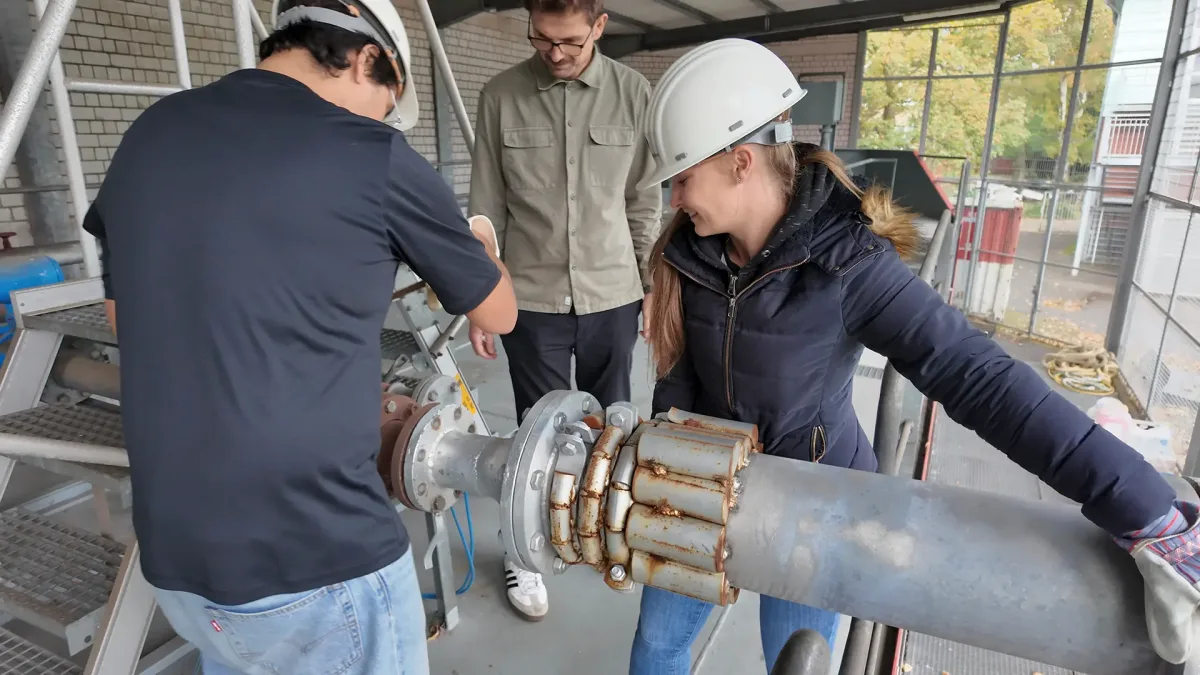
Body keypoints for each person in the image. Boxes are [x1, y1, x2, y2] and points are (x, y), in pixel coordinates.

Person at [633, 38, 1200, 674]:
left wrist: (1146, 509)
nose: (675, 200)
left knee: (792, 660)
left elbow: (977, 377)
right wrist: (656, 463)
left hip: (815, 502)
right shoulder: (688, 253)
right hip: (703, 482)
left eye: (683, 179)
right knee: (656, 647)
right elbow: (679, 378)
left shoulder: (849, 263)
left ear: (741, 162)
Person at [81, 1, 516, 673]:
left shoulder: (152, 131)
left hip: (180, 562)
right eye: (384, 103)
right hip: (317, 562)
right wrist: (479, 241)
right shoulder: (372, 154)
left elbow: (126, 319)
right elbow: (500, 313)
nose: (377, 122)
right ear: (368, 58)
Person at [467, 0, 661, 621]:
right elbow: (485, 211)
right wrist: (480, 300)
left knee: (614, 425)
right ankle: (525, 551)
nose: (555, 53)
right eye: (543, 39)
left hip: (613, 294)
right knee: (537, 432)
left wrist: (650, 287)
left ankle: (608, 531)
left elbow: (643, 201)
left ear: (599, 26)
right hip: (533, 299)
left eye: (571, 43)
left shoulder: (634, 94)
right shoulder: (500, 96)